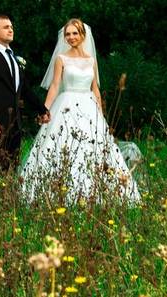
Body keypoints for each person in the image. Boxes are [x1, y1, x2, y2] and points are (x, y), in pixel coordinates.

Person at [20, 19, 140, 206]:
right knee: (61, 146)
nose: (71, 37)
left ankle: (99, 194)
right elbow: (55, 85)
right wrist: (45, 109)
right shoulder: (61, 59)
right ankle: (56, 193)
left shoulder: (91, 60)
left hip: (89, 107)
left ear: (83, 35)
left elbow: (95, 89)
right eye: (68, 34)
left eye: (75, 33)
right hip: (66, 105)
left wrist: (101, 114)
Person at [0, 14, 50, 172]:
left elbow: (24, 89)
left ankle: (8, 197)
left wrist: (41, 109)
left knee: (11, 170)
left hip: (15, 124)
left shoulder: (15, 59)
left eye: (11, 27)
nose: (10, 29)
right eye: (6, 27)